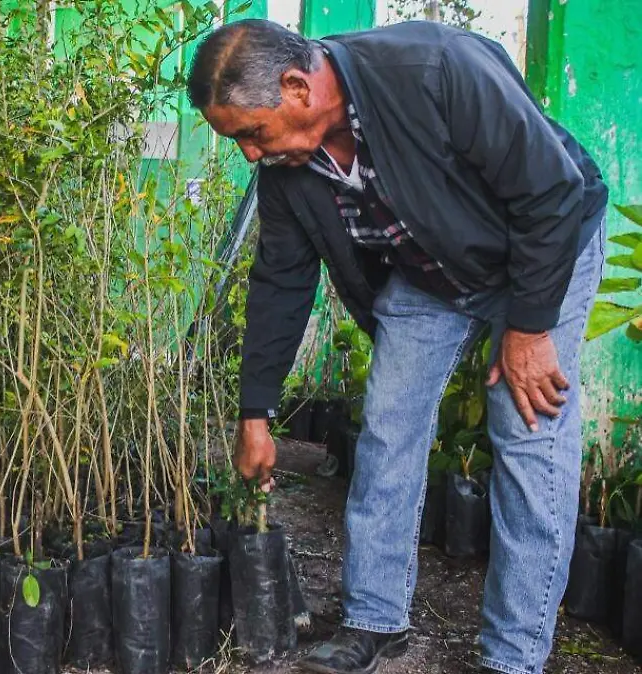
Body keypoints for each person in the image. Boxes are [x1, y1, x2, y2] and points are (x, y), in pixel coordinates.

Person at [186, 18, 608, 674]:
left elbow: (552, 193)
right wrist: (255, 413)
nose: (247, 153)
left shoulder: (436, 69)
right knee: (387, 425)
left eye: (251, 132)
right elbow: (280, 284)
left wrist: (529, 329)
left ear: (297, 87)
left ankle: (513, 656)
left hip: (540, 252)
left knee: (529, 433)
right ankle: (374, 619)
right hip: (431, 269)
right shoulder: (288, 169)